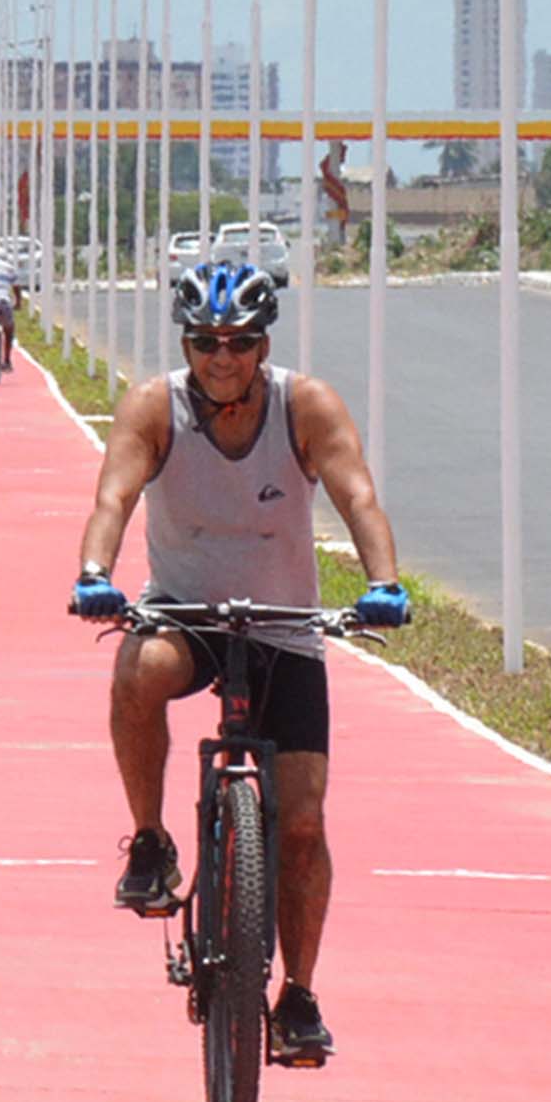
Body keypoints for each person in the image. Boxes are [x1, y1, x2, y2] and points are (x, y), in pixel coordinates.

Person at [67, 262, 408, 1061]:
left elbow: (358, 494)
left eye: (239, 343)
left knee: (302, 824)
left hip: (284, 628)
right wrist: (94, 576)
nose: (222, 358)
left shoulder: (306, 405)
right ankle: (151, 841)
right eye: (205, 342)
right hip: (187, 614)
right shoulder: (156, 406)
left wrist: (384, 582)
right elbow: (113, 497)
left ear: (263, 345)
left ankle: (298, 996)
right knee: (137, 670)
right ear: (186, 344)